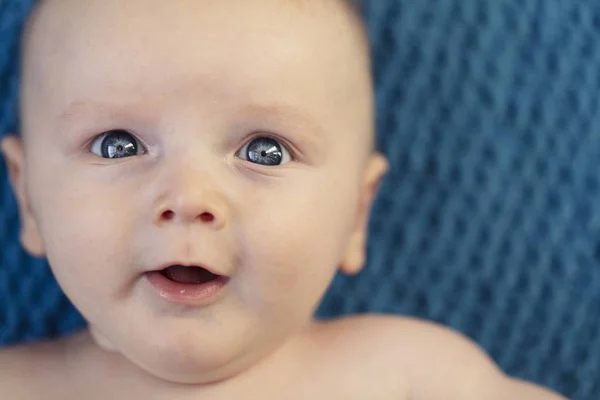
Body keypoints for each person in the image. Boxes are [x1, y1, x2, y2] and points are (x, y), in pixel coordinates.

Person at [0, 0, 567, 398]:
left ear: (356, 213)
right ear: (27, 197)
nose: (189, 198)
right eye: (117, 144)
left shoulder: (409, 378)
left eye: (265, 150)